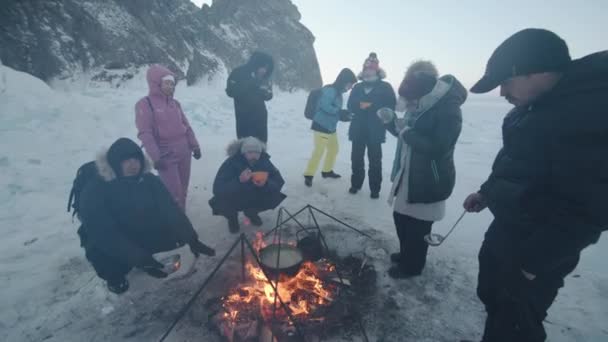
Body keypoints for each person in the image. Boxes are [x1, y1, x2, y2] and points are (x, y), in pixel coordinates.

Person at [463, 28, 608, 341]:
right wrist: (487, 193)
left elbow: (590, 207)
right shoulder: (527, 111)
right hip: (507, 229)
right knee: (494, 299)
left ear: (535, 72)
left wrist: (534, 262)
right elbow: (511, 165)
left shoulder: (592, 115)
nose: (502, 93)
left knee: (517, 320)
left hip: (538, 248)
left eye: (505, 82)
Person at [79, 138, 215, 294]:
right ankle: (115, 278)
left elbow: (171, 211)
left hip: (135, 226)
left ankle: (143, 256)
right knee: (102, 253)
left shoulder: (149, 180)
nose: (133, 164)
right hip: (107, 237)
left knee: (172, 236)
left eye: (136, 159)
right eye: (126, 161)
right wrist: (140, 259)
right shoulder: (96, 190)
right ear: (115, 163)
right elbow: (105, 235)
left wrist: (191, 239)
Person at [378, 61, 466, 279]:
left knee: (418, 228)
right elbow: (405, 131)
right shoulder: (421, 106)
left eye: (411, 102)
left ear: (424, 94)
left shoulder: (449, 109)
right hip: (409, 173)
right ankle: (407, 254)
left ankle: (413, 266)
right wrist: (390, 123)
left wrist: (407, 133)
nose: (408, 106)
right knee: (401, 219)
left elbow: (439, 146)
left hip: (429, 179)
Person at [135, 64, 201, 210]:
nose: (170, 86)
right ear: (156, 83)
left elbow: (186, 126)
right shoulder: (145, 104)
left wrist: (195, 146)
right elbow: (145, 133)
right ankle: (174, 224)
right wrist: (155, 157)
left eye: (172, 84)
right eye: (167, 83)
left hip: (184, 152)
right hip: (165, 155)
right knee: (173, 193)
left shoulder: (175, 104)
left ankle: (181, 220)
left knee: (183, 189)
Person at [209, 137, 287, 233]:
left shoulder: (264, 161)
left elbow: (279, 181)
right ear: (243, 153)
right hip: (236, 196)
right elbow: (218, 189)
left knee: (274, 194)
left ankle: (251, 212)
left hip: (254, 195)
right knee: (220, 201)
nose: (254, 156)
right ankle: (232, 219)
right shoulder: (231, 163)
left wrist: (266, 183)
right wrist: (239, 181)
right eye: (250, 153)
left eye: (257, 153)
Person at [347, 52, 396, 198]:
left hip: (375, 130)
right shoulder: (357, 87)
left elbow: (390, 106)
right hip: (358, 129)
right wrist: (359, 105)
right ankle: (355, 184)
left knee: (375, 161)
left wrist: (373, 106)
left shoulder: (386, 87)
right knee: (356, 159)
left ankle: (375, 189)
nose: (368, 72)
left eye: (371, 70)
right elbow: (350, 105)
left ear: (376, 71)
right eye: (366, 70)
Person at [303, 68, 357, 187]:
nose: (350, 87)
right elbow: (325, 105)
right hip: (321, 125)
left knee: (334, 148)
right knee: (319, 151)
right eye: (350, 84)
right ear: (344, 81)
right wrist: (339, 112)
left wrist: (344, 115)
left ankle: (327, 171)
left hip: (330, 127)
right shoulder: (330, 90)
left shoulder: (338, 93)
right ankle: (309, 174)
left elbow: (334, 111)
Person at [226, 51, 274, 143]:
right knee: (245, 146)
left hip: (260, 116)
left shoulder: (264, 77)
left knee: (261, 145)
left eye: (267, 68)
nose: (264, 70)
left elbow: (269, 96)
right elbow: (230, 92)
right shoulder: (238, 72)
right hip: (244, 116)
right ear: (256, 64)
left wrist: (265, 92)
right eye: (263, 67)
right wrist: (251, 83)